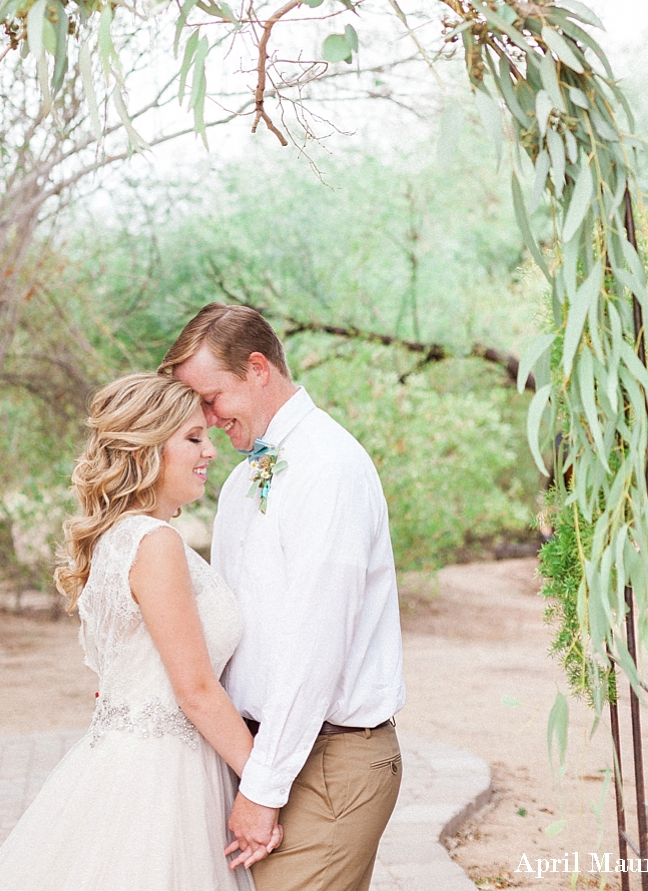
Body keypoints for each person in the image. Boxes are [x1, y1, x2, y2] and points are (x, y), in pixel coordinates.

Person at [0, 371, 277, 891]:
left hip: (127, 760)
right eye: (193, 438)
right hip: (161, 780)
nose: (210, 452)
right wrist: (267, 785)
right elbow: (196, 689)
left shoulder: (120, 537)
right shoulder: (154, 542)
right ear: (147, 448)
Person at [161, 303, 405, 891]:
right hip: (261, 753)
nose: (207, 417)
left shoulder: (329, 468)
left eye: (211, 397)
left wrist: (262, 790)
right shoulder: (246, 477)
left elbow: (314, 648)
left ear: (258, 368)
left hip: (325, 765)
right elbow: (230, 624)